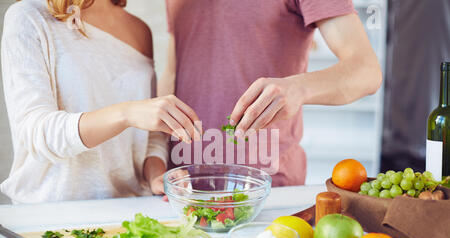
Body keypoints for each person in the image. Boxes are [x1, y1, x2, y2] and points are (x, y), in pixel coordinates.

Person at [160, 0, 383, 186]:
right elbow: (172, 73)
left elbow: (367, 71)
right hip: (181, 187)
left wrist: (298, 88)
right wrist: (155, 159)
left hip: (267, 189)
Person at [1, 0, 199, 203]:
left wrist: (156, 176)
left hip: (129, 211)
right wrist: (125, 114)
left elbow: (149, 137)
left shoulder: (140, 30)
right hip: (52, 215)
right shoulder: (28, 16)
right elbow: (36, 132)